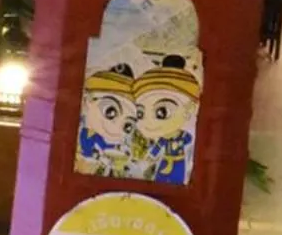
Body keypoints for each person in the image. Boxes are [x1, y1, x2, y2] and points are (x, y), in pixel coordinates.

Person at [130, 56, 202, 186]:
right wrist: (148, 158)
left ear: (190, 109)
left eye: (161, 112)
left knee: (177, 181)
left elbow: (189, 142)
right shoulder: (163, 139)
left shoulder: (187, 136)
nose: (148, 122)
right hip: (164, 162)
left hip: (179, 163)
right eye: (140, 113)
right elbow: (156, 149)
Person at [76, 65, 138, 175]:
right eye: (110, 112)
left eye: (127, 125)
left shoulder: (102, 135)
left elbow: (104, 146)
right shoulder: (80, 125)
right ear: (88, 101)